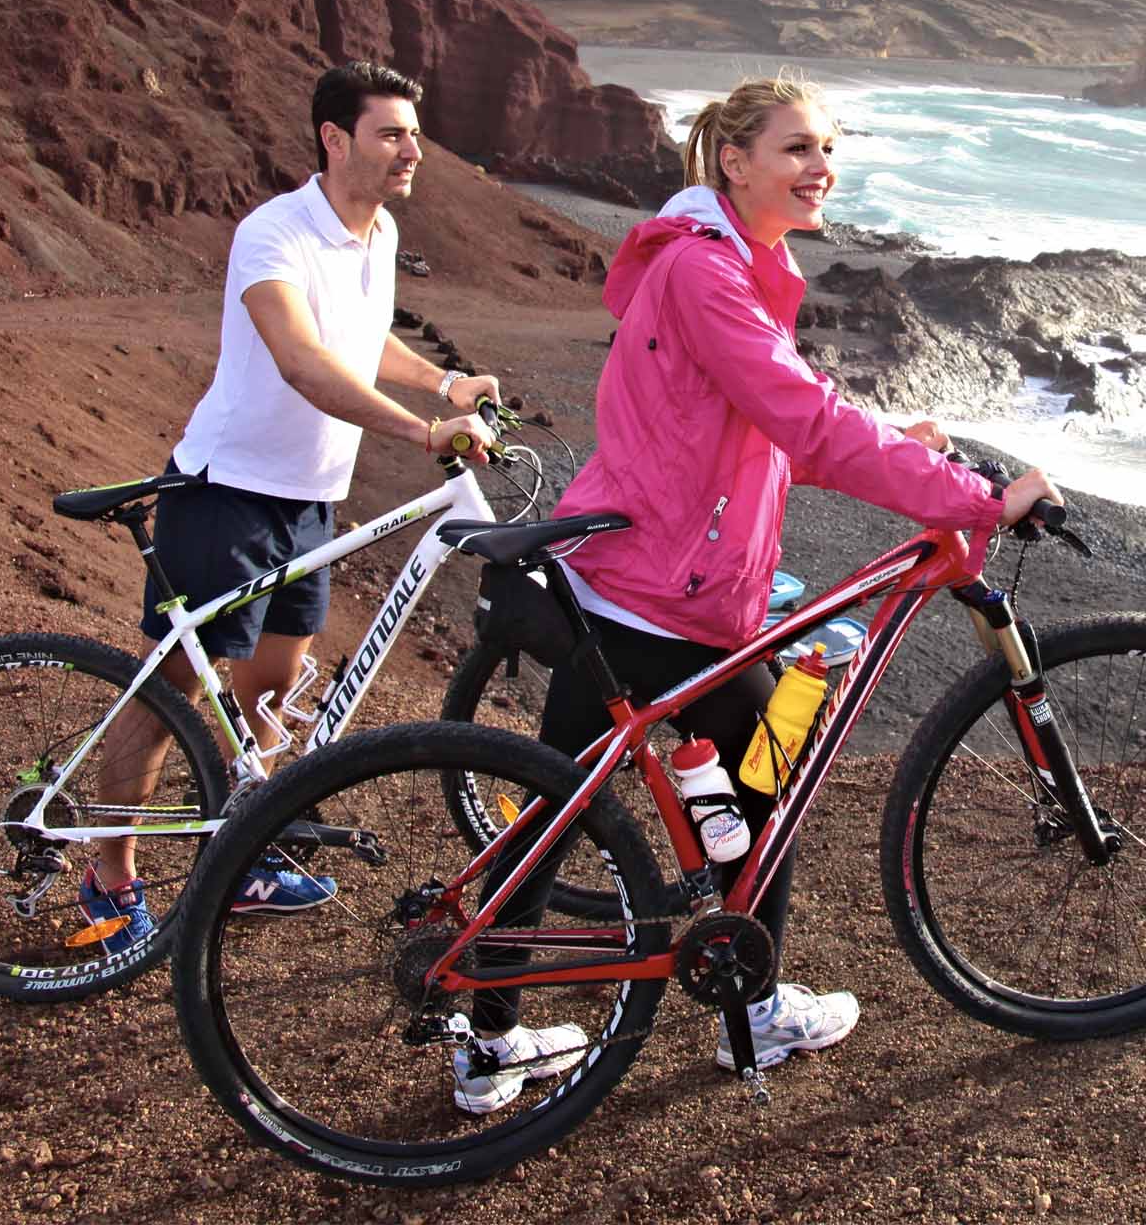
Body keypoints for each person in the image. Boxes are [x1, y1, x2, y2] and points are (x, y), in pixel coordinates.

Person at [453, 75, 1058, 1112]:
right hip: (671, 597)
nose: (821, 167)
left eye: (827, 149)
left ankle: (489, 1037)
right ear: (734, 163)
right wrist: (973, 497)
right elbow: (806, 420)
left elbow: (757, 433)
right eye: (796, 150)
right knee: (765, 784)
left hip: (638, 579)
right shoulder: (708, 273)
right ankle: (752, 1013)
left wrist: (901, 452)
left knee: (555, 813)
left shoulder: (731, 264)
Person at [80, 60, 500, 953]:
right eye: (391, 134)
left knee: (268, 692)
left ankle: (244, 858)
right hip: (225, 493)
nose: (411, 151)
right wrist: (425, 432)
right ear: (334, 139)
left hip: (311, 500)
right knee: (173, 692)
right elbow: (304, 361)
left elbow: (361, 337)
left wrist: (444, 381)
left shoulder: (376, 233)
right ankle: (106, 877)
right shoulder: (273, 234)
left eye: (413, 134)